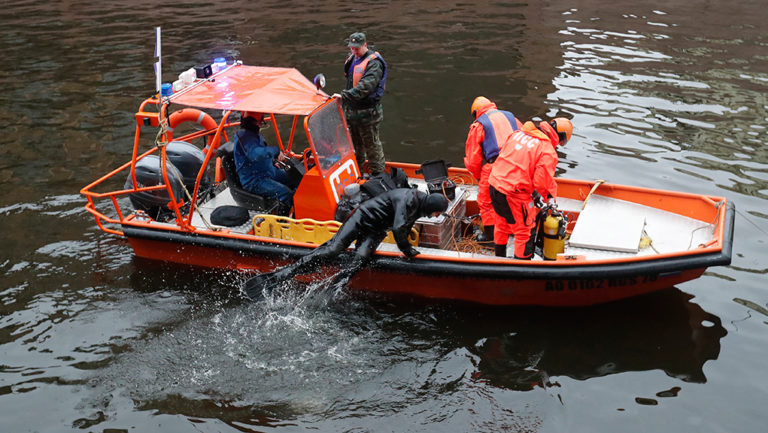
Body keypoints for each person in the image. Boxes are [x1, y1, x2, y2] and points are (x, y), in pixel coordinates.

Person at [244, 189, 449, 298]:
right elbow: (398, 228)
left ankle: (332, 287)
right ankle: (282, 275)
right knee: (334, 248)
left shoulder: (419, 205)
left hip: (376, 229)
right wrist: (408, 251)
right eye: (437, 212)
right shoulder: (409, 200)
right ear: (432, 206)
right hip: (362, 217)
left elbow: (400, 227)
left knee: (360, 258)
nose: (436, 216)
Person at [488, 117, 573, 259]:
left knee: (501, 224)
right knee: (524, 231)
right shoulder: (547, 150)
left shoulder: (517, 134)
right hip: (514, 195)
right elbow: (541, 183)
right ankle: (521, 267)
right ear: (561, 137)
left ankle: (499, 259)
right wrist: (548, 199)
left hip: (494, 186)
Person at [463, 96, 523, 246]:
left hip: (497, 166)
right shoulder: (511, 117)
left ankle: (490, 237)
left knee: (486, 201)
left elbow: (473, 159)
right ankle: (515, 230)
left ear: (476, 112)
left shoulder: (479, 125)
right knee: (515, 197)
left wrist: (478, 177)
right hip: (518, 164)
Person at [341, 32, 388, 175]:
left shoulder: (374, 63)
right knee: (355, 147)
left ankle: (378, 177)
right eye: (352, 48)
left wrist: (344, 96)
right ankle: (356, 173)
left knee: (372, 147)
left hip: (368, 114)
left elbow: (366, 87)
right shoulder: (351, 60)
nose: (354, 51)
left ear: (365, 45)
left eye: (357, 48)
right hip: (352, 113)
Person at [233, 111, 294, 209]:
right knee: (285, 192)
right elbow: (255, 154)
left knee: (294, 178)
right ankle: (287, 217)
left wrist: (273, 161)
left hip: (269, 172)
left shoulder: (255, 135)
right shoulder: (243, 137)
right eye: (258, 122)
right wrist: (275, 151)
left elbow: (263, 154)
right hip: (255, 180)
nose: (259, 124)